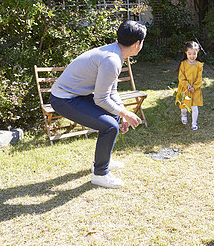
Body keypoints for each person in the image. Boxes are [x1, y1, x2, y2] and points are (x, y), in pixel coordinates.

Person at [50, 20, 147, 189]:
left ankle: (103, 161)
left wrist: (122, 112)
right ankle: (100, 174)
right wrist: (125, 114)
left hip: (76, 95)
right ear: (137, 43)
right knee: (110, 126)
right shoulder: (112, 60)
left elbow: (111, 91)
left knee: (114, 116)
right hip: (63, 99)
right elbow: (101, 99)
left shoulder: (115, 53)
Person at [176, 41, 204, 130]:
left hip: (194, 90)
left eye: (194, 54)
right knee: (184, 106)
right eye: (189, 54)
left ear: (197, 53)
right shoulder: (183, 64)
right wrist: (187, 85)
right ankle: (183, 116)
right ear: (186, 53)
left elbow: (199, 79)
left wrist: (194, 87)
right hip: (184, 88)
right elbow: (181, 77)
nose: (192, 56)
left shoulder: (199, 65)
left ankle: (194, 123)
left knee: (194, 107)